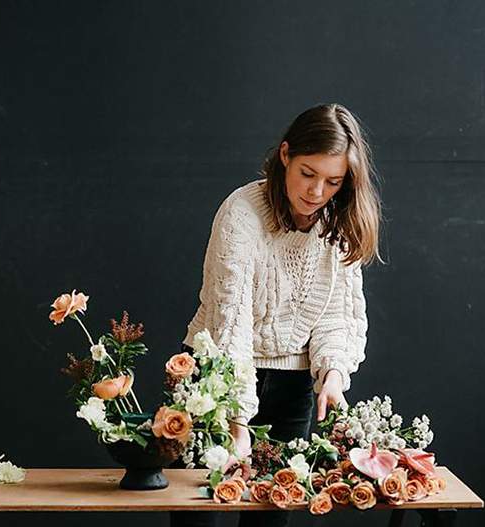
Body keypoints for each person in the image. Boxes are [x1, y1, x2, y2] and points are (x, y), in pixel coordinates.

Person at [170, 102, 384, 527]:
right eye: (307, 173)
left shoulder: (337, 221)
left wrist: (333, 376)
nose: (317, 192)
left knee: (271, 513)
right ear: (285, 155)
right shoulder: (241, 213)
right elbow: (230, 322)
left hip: (291, 384)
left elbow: (336, 314)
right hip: (217, 378)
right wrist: (236, 420)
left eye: (332, 181)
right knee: (197, 510)